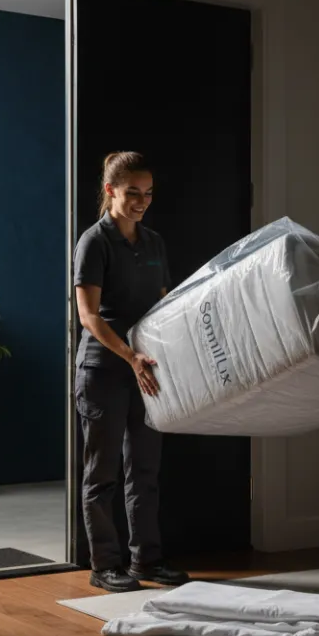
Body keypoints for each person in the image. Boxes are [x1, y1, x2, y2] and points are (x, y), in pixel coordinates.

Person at [72, 151, 190, 593]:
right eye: (133, 193)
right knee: (101, 474)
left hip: (147, 371)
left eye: (149, 194)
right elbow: (88, 316)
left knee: (144, 470)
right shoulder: (94, 242)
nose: (142, 201)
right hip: (103, 370)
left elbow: (163, 305)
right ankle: (105, 565)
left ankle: (146, 561)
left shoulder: (155, 242)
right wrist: (129, 355)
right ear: (110, 191)